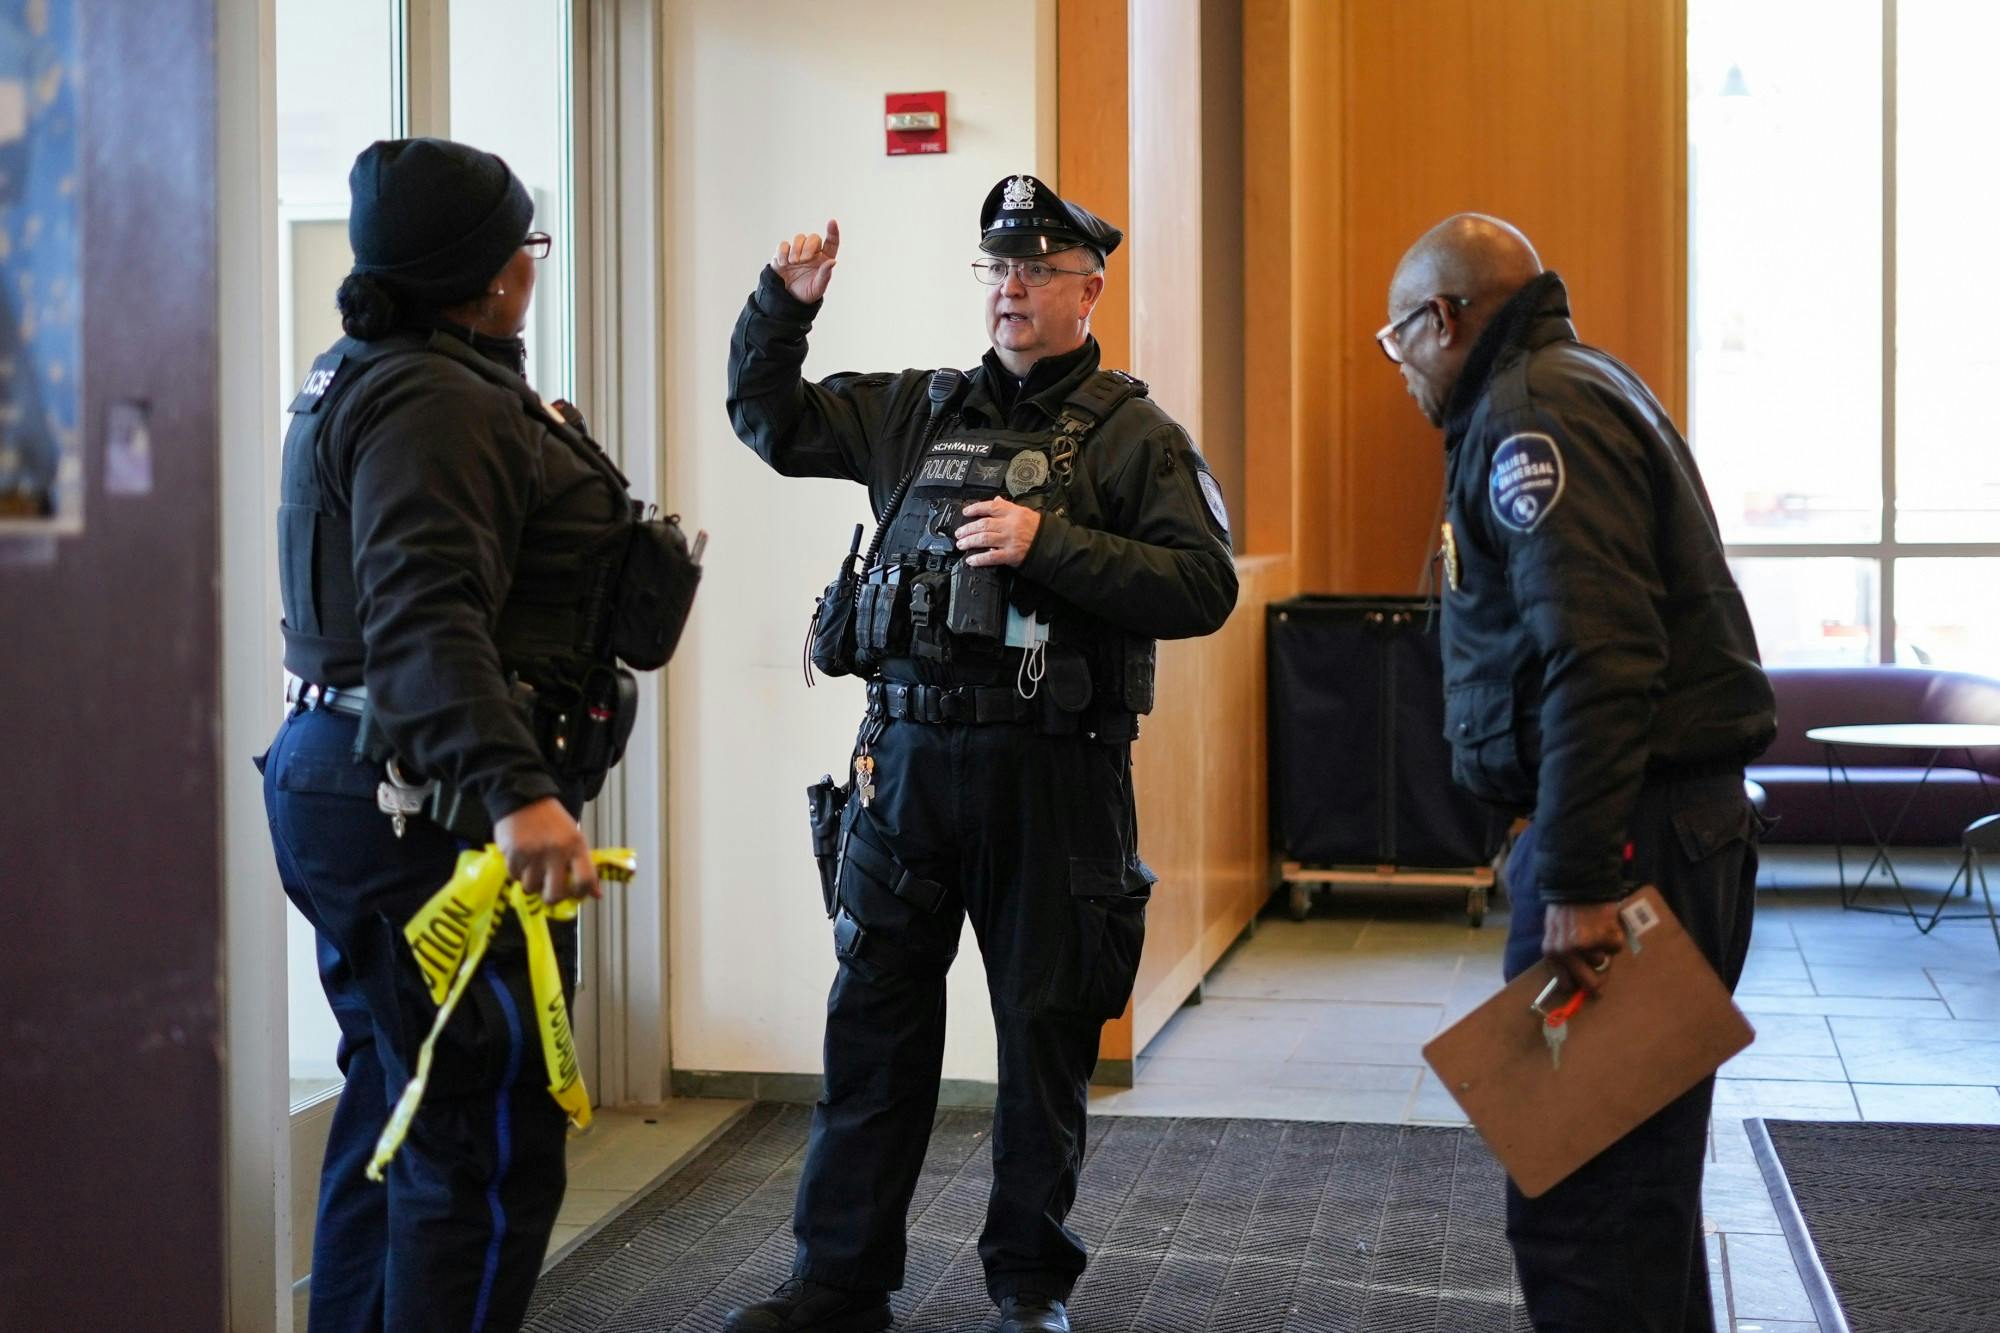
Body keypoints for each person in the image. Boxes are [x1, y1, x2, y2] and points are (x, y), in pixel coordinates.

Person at [722, 175, 1237, 1333]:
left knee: (1041, 1044)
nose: (1010, 289)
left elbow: (1202, 584)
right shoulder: (914, 409)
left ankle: (1026, 1288)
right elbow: (769, 419)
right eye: (996, 269)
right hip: (904, 771)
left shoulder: (1133, 434)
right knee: (872, 1030)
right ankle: (839, 1281)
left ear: (1087, 288)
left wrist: (1048, 542)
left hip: (1050, 778)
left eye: (1036, 270)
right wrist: (781, 304)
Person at [263, 137, 692, 1332]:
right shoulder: (437, 402)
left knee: (399, 1114)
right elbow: (420, 616)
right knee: (483, 1132)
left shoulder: (369, 372)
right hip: (415, 805)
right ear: (497, 271)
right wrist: (516, 794)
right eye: (527, 249)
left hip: (348, 781)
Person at [1378, 213, 1776, 1331]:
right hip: (1642, 833)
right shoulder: (1574, 382)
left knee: (1583, 1210)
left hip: (1626, 851)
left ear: (1442, 319)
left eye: (1395, 337)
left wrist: (1578, 879)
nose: (1398, 366)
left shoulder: (1529, 417)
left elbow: (1597, 656)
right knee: (1628, 1203)